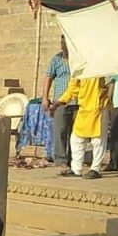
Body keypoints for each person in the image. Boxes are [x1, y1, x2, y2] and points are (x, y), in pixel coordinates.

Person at [54, 76, 107, 179]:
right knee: (76, 139)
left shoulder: (102, 65)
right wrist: (62, 101)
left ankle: (95, 169)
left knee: (98, 140)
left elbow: (109, 83)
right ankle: (76, 169)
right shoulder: (80, 68)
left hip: (99, 107)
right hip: (84, 107)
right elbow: (73, 87)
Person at [43, 36, 77, 169]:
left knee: (75, 134)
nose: (64, 46)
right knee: (60, 131)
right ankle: (61, 160)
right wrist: (45, 98)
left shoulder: (77, 60)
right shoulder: (56, 60)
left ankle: (73, 160)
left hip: (76, 101)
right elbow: (48, 78)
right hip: (60, 102)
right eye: (62, 44)